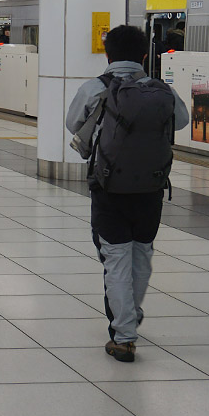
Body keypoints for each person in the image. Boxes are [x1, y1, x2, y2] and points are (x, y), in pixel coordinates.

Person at [66, 24, 188, 364]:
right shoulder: (162, 90)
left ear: (108, 56)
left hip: (109, 187)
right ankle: (130, 312)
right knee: (142, 253)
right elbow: (180, 121)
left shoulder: (95, 88)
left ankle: (124, 336)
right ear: (145, 56)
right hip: (151, 186)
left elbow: (73, 124)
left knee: (116, 257)